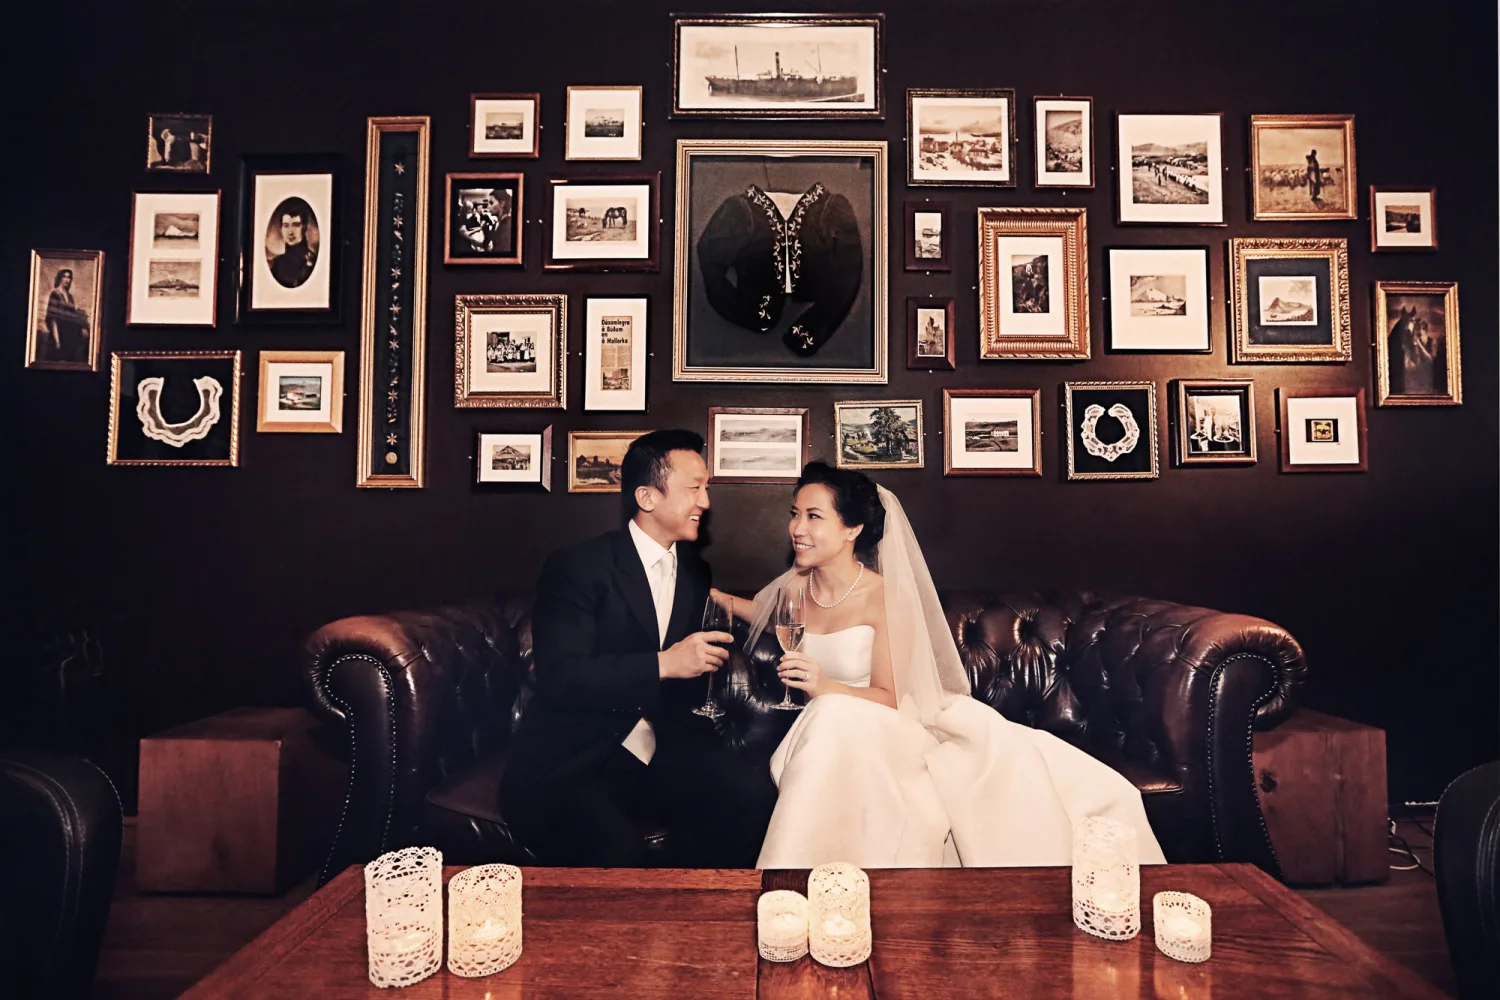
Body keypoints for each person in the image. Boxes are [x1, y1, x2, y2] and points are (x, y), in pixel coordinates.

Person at [714, 461, 1167, 868]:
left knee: (831, 716)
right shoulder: (796, 589)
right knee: (829, 721)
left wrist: (824, 685)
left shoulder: (886, 598)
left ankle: (798, 879)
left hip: (891, 725)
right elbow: (764, 613)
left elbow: (888, 700)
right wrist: (708, 597)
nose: (797, 527)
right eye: (794, 513)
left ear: (851, 529)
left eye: (813, 517)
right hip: (833, 729)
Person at [500, 429, 778, 868]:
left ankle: (698, 918)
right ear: (647, 497)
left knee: (753, 795)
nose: (705, 502)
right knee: (618, 848)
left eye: (705, 488)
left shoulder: (694, 572)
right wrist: (663, 664)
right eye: (694, 489)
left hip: (660, 749)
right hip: (576, 758)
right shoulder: (577, 567)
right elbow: (560, 678)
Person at [42, 268, 89, 363]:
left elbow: (72, 317)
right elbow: (53, 319)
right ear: (60, 278)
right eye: (65, 277)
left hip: (70, 336)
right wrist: (57, 341)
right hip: (59, 334)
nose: (67, 280)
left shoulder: (70, 296)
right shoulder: (55, 294)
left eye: (69, 277)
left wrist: (81, 327)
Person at [268, 198, 317, 288]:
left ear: (304, 227)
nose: (290, 232)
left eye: (296, 225)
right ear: (281, 229)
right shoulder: (276, 264)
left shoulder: (314, 261)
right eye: (286, 225)